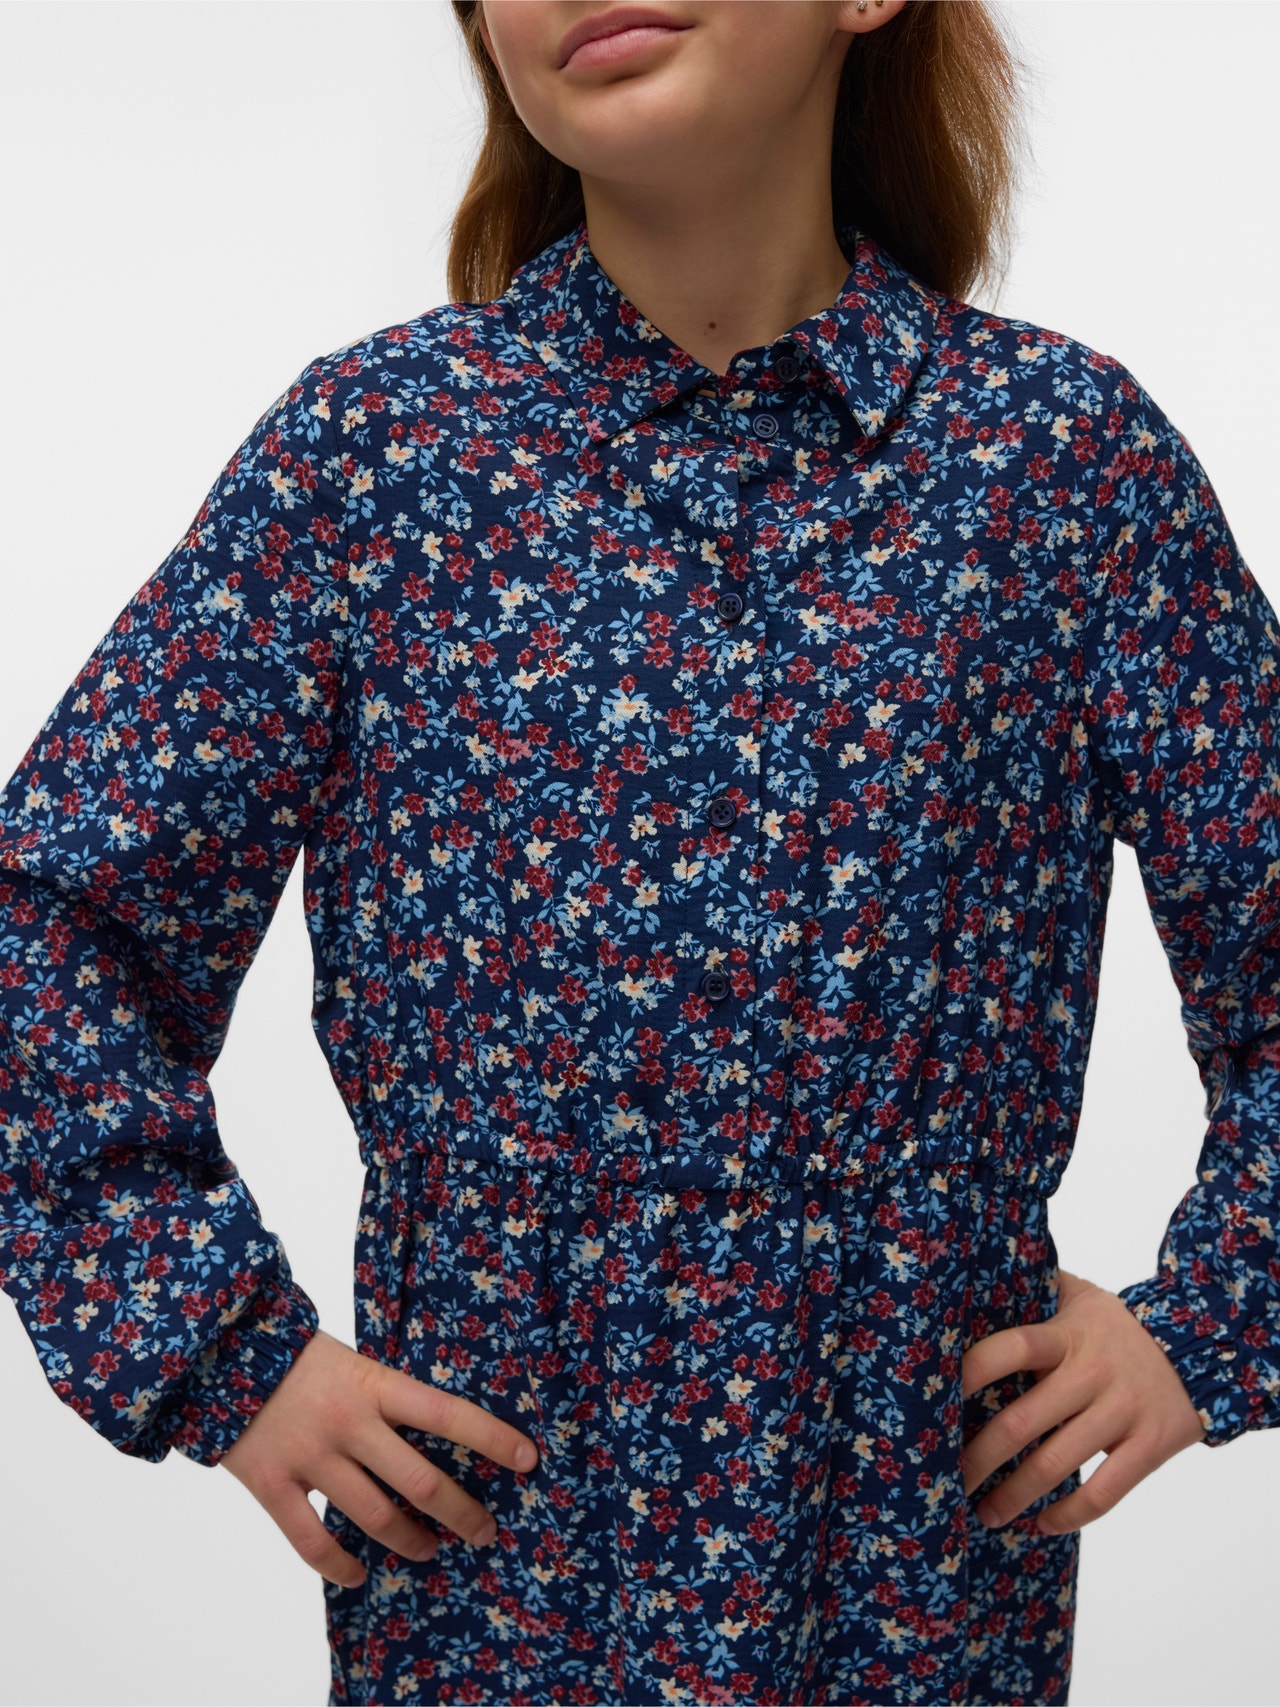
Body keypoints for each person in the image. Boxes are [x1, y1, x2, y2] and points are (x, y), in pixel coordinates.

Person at [1, 1, 1276, 1701]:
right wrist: (219, 1348)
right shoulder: (378, 465)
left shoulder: (1060, 470)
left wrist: (1212, 1319)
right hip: (496, 1604)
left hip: (915, 1603)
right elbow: (51, 927)